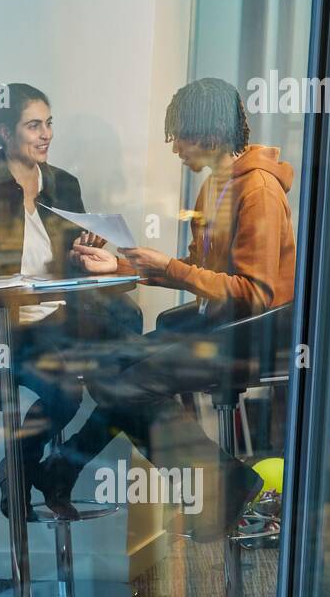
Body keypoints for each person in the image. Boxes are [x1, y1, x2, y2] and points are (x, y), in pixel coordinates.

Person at [63, 77, 296, 539]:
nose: (174, 149)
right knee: (110, 371)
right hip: (222, 325)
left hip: (258, 331)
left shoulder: (260, 191)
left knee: (125, 386)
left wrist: (171, 268)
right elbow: (201, 269)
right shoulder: (215, 187)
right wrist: (120, 266)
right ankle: (222, 482)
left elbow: (256, 292)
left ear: (208, 133)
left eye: (179, 137)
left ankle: (221, 485)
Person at [0, 82, 141, 521]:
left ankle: (51, 470)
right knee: (65, 392)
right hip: (9, 328)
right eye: (33, 125)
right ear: (6, 133)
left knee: (139, 374)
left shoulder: (64, 184)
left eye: (48, 124)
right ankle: (26, 469)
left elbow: (68, 263)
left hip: (63, 319)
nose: (45, 134)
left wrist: (83, 251)